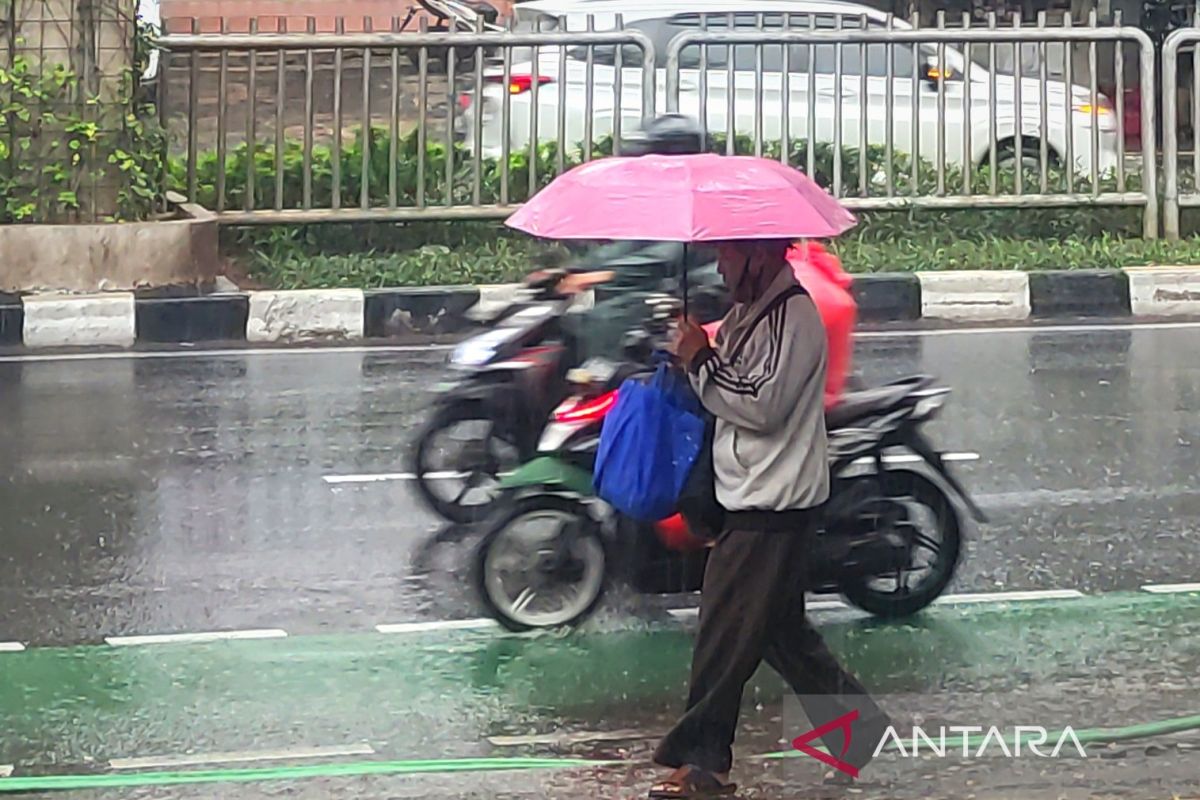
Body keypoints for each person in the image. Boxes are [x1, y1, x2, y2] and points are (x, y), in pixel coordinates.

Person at [649, 238, 887, 799]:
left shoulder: (794, 316)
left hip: (772, 503)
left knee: (723, 637)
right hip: (748, 492)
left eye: (729, 257)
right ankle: (856, 734)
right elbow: (725, 390)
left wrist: (701, 360)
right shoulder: (748, 314)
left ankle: (706, 764)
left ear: (759, 256)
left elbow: (761, 406)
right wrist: (693, 353)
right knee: (779, 636)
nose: (720, 268)